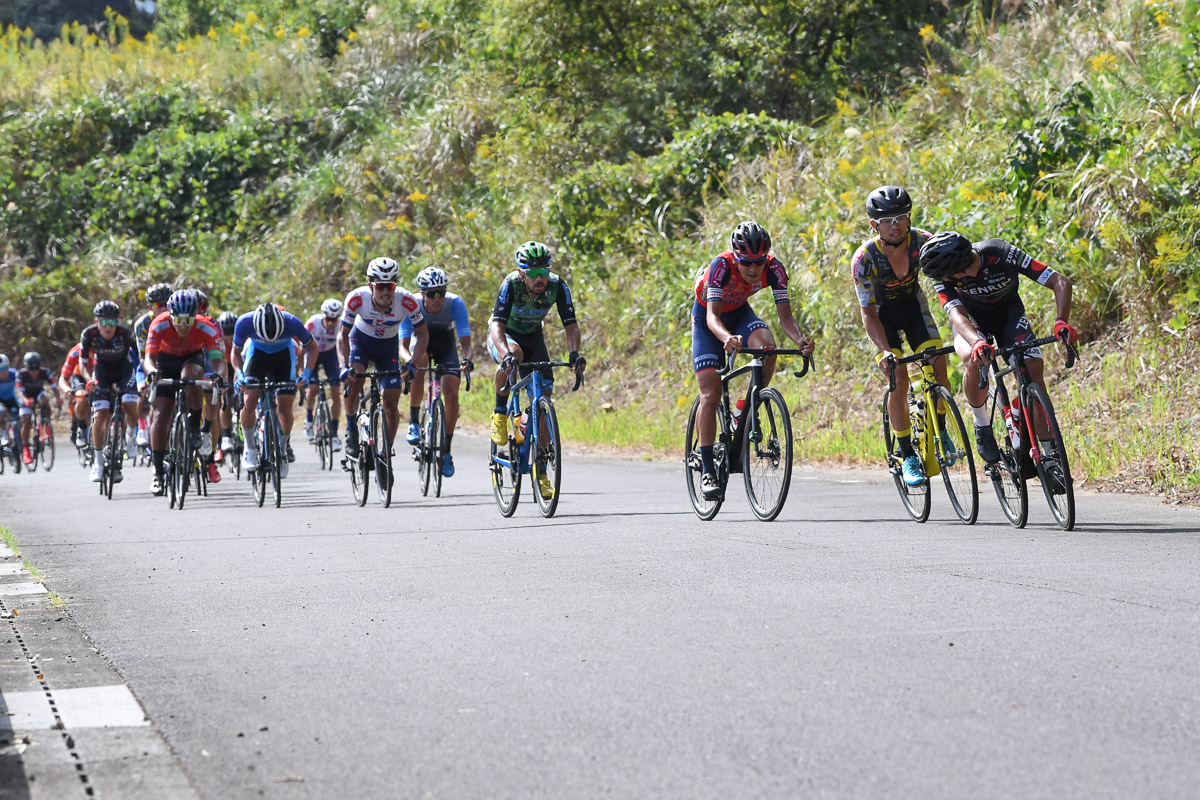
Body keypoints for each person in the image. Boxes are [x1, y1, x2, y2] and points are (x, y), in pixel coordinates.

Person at [919, 231, 1076, 477]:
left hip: (1009, 316)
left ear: (958, 269)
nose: (944, 279)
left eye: (947, 276)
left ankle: (1048, 453)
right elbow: (956, 315)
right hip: (971, 323)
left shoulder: (1000, 253)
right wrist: (977, 342)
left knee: (1033, 371)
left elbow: (1060, 281)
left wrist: (1061, 321)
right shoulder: (943, 275)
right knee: (973, 357)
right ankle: (982, 425)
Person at [691, 221, 816, 500]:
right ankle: (708, 469)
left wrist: (799, 340)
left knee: (767, 347)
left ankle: (744, 408)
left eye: (758, 262)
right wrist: (725, 337)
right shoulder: (720, 266)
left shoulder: (775, 269)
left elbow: (786, 318)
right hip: (708, 321)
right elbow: (712, 317)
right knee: (710, 395)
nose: (753, 269)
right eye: (746, 262)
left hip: (739, 313)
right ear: (736, 257)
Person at [851, 186, 956, 486]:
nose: (894, 225)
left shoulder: (923, 241)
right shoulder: (864, 259)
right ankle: (906, 452)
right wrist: (885, 351)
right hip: (882, 318)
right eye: (887, 220)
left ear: (909, 218)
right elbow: (868, 314)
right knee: (897, 378)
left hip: (914, 309)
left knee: (938, 366)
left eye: (900, 218)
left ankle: (943, 430)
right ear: (875, 225)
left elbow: (946, 279)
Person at [488, 241, 584, 500]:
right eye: (532, 273)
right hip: (505, 335)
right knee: (514, 356)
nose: (539, 277)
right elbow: (497, 326)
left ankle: (540, 470)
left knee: (543, 398)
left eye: (544, 270)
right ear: (521, 273)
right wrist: (506, 354)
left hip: (533, 338)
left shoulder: (557, 285)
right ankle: (499, 412)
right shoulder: (511, 284)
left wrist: (574, 354)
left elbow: (571, 325)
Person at [338, 257, 428, 482]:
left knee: (391, 402)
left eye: (390, 286)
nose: (386, 292)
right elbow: (342, 335)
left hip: (388, 348)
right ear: (371, 286)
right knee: (355, 377)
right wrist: (343, 366)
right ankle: (351, 430)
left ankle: (384, 454)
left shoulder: (406, 300)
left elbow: (423, 334)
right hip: (361, 342)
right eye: (380, 286)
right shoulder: (357, 298)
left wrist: (413, 363)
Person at [144, 290, 226, 495]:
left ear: (195, 316)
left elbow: (218, 359)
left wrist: (217, 375)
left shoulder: (205, 327)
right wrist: (152, 372)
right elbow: (149, 358)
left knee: (191, 377)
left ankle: (194, 425)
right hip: (165, 362)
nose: (183, 325)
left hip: (191, 359)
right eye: (178, 320)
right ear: (170, 315)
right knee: (161, 414)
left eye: (188, 320)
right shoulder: (159, 324)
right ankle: (158, 472)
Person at [400, 267, 472, 477]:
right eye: (432, 294)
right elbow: (403, 346)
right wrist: (409, 363)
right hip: (418, 342)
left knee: (451, 389)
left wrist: (467, 359)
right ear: (422, 294)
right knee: (419, 361)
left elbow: (466, 342)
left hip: (444, 343)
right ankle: (414, 422)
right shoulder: (411, 305)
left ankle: (447, 450)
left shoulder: (455, 303)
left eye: (441, 292)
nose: (437, 299)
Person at [231, 303, 317, 478]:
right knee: (249, 400)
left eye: (273, 336)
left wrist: (306, 374)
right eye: (265, 337)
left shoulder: (292, 322)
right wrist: (239, 374)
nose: (269, 340)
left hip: (283, 358)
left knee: (285, 407)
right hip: (257, 356)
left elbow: (313, 348)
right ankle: (250, 448)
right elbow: (235, 352)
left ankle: (283, 449)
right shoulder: (245, 322)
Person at [78, 300, 140, 484]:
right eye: (104, 322)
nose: (108, 327)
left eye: (112, 322)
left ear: (117, 322)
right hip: (102, 372)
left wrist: (142, 378)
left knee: (129, 404)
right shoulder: (88, 334)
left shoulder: (125, 334)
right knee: (100, 415)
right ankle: (98, 462)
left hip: (124, 370)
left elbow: (140, 357)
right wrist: (90, 380)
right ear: (97, 321)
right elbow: (82, 364)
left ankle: (130, 435)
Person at [133, 283, 172, 450]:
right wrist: (152, 373)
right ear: (150, 307)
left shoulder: (177, 317)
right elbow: (143, 355)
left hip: (169, 359)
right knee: (145, 390)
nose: (164, 308)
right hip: (148, 361)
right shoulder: (142, 324)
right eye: (159, 305)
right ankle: (143, 427)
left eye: (167, 304)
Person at [303, 298, 344, 452]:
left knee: (335, 389)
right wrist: (301, 370)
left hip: (330, 355)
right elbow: (302, 348)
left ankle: (333, 434)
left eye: (334, 320)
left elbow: (344, 345)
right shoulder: (313, 323)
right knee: (312, 388)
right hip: (313, 353)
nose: (331, 323)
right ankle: (308, 421)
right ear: (323, 315)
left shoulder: (340, 326)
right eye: (328, 319)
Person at [14, 352, 58, 465]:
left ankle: (46, 425)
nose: (34, 372)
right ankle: (26, 449)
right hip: (26, 396)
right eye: (31, 369)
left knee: (45, 401)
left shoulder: (45, 372)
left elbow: (54, 386)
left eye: (36, 369)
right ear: (26, 367)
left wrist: (58, 398)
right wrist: (25, 401)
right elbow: (19, 391)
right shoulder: (21, 374)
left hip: (39, 393)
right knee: (26, 420)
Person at [58, 343, 93, 449]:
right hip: (80, 377)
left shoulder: (107, 347)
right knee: (82, 397)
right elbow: (63, 378)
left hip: (100, 376)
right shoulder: (75, 352)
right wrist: (67, 389)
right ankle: (81, 427)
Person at [0, 354, 18, 449]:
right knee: (1, 412)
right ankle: (5, 436)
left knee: (20, 414)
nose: (3, 373)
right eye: (0, 370)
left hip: (11, 398)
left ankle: (19, 435)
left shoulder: (14, 374)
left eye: (5, 369)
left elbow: (21, 387)